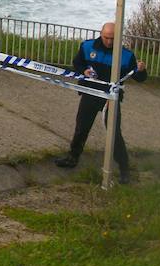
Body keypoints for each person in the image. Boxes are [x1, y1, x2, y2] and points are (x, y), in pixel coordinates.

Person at [54, 22, 148, 183]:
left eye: (113, 38)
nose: (109, 42)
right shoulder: (87, 46)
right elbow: (77, 63)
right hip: (90, 94)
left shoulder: (126, 55)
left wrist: (141, 70)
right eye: (106, 38)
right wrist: (84, 71)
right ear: (101, 34)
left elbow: (139, 78)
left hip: (110, 99)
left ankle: (124, 170)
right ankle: (72, 158)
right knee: (81, 129)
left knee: (114, 134)